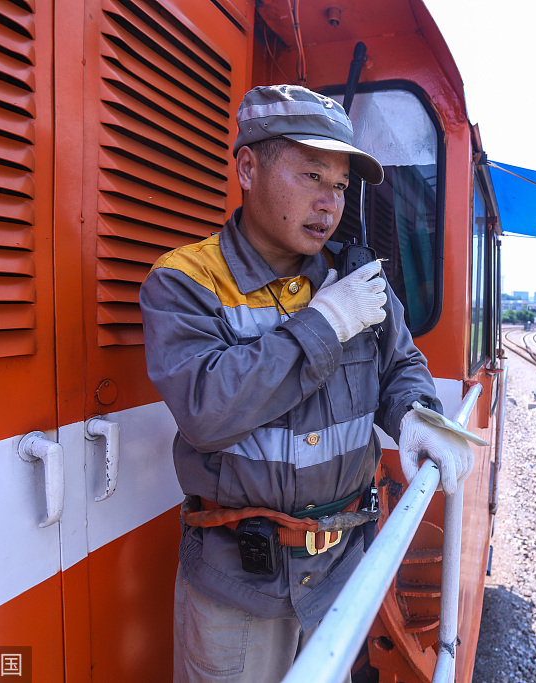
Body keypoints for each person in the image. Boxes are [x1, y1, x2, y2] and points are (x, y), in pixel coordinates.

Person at [139, 84, 474, 683]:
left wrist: (417, 415)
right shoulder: (185, 282)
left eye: (341, 186)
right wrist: (323, 326)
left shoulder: (356, 277)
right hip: (237, 591)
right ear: (247, 167)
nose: (329, 204)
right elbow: (205, 407)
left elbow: (400, 366)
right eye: (311, 175)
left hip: (340, 578)